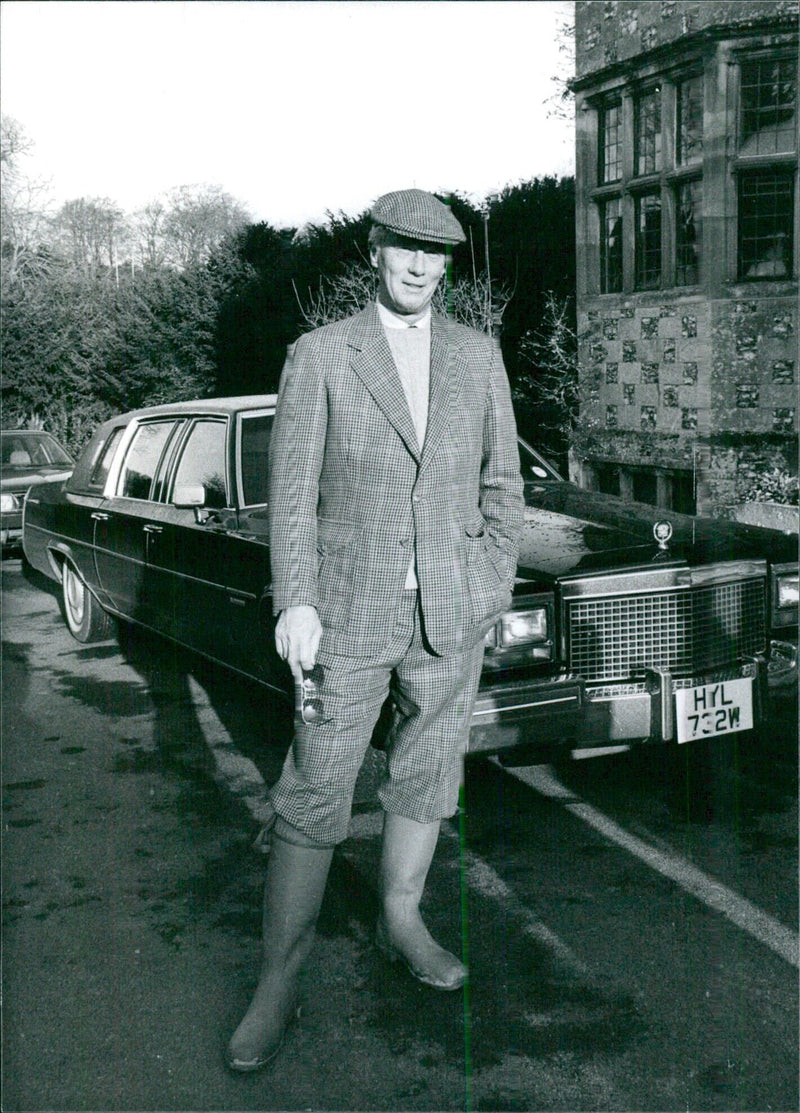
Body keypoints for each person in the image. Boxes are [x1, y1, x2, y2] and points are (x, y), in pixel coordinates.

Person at [226, 188, 524, 1072]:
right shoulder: (322, 354)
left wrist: (485, 584)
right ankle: (277, 981)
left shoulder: (477, 356)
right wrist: (297, 601)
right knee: (318, 782)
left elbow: (501, 486)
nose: (422, 266)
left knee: (429, 770)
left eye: (437, 254)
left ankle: (403, 919)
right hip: (347, 614)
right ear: (375, 251)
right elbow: (294, 494)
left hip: (448, 613)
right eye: (406, 249)